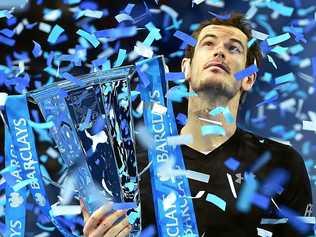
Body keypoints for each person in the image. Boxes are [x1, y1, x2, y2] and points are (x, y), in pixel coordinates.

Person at [81, 13, 313, 236]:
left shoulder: (281, 163)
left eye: (234, 48)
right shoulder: (134, 171)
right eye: (208, 44)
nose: (220, 51)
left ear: (248, 78)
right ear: (186, 68)